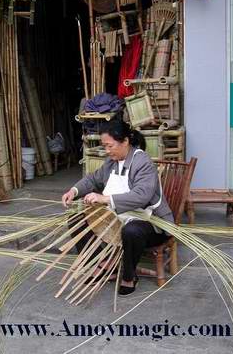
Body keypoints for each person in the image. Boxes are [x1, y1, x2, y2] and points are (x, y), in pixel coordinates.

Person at [62, 120, 173, 296]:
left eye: (110, 146)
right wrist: (74, 190)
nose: (107, 151)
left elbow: (141, 196)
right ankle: (104, 264)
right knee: (77, 219)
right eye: (104, 146)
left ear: (125, 141)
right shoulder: (111, 162)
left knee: (132, 231)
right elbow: (93, 179)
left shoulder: (142, 162)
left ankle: (129, 276)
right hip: (118, 218)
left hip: (150, 222)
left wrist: (104, 198)